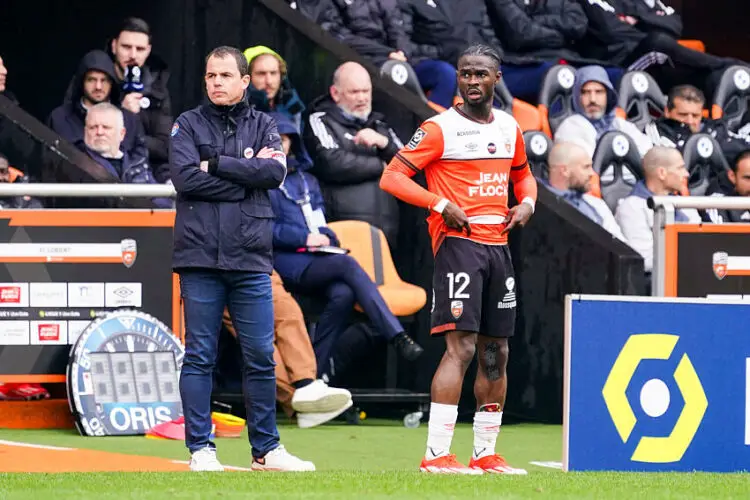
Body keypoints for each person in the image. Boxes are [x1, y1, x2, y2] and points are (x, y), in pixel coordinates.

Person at [380, 44, 537, 474]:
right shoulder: (438, 128)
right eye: (464, 74)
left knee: (496, 353)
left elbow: (523, 176)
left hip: (498, 247)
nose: (471, 81)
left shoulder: (509, 127)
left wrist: (527, 205)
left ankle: (485, 454)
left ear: (496, 78)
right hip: (459, 245)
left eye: (480, 74)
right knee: (462, 348)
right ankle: (436, 456)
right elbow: (391, 176)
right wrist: (437, 203)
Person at [170, 45, 313, 473]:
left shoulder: (266, 124)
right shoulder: (186, 123)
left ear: (244, 81)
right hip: (199, 258)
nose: (216, 82)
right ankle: (201, 450)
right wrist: (240, 177)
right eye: (210, 76)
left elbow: (273, 174)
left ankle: (266, 450)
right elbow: (184, 178)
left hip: (250, 258)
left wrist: (214, 165)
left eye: (225, 76)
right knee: (199, 356)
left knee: (259, 357)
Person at [269, 112, 424, 378]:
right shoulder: (258, 183)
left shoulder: (306, 179)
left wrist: (328, 237)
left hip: (314, 256)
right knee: (346, 263)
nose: (280, 146)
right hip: (281, 260)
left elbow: (318, 219)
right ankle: (395, 334)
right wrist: (303, 239)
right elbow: (261, 230)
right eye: (273, 141)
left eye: (284, 140)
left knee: (343, 293)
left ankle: (313, 375)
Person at [304, 62, 403, 248]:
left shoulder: (380, 125)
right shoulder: (320, 120)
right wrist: (381, 166)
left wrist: (384, 143)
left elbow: (409, 164)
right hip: (344, 228)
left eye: (366, 91)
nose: (362, 98)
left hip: (388, 229)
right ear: (335, 93)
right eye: (354, 92)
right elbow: (332, 162)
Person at [615, 147, 699, 274]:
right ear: (662, 173)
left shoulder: (685, 205)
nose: (686, 174)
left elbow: (701, 245)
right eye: (680, 168)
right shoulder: (631, 209)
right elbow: (645, 260)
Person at [554, 65, 652, 158]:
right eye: (586, 92)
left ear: (608, 95)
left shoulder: (619, 124)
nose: (592, 99)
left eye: (599, 92)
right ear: (577, 97)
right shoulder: (570, 127)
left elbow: (649, 153)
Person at [542, 142, 626, 241]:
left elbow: (621, 247)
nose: (592, 173)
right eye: (586, 167)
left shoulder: (597, 205)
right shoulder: (538, 207)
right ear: (564, 171)